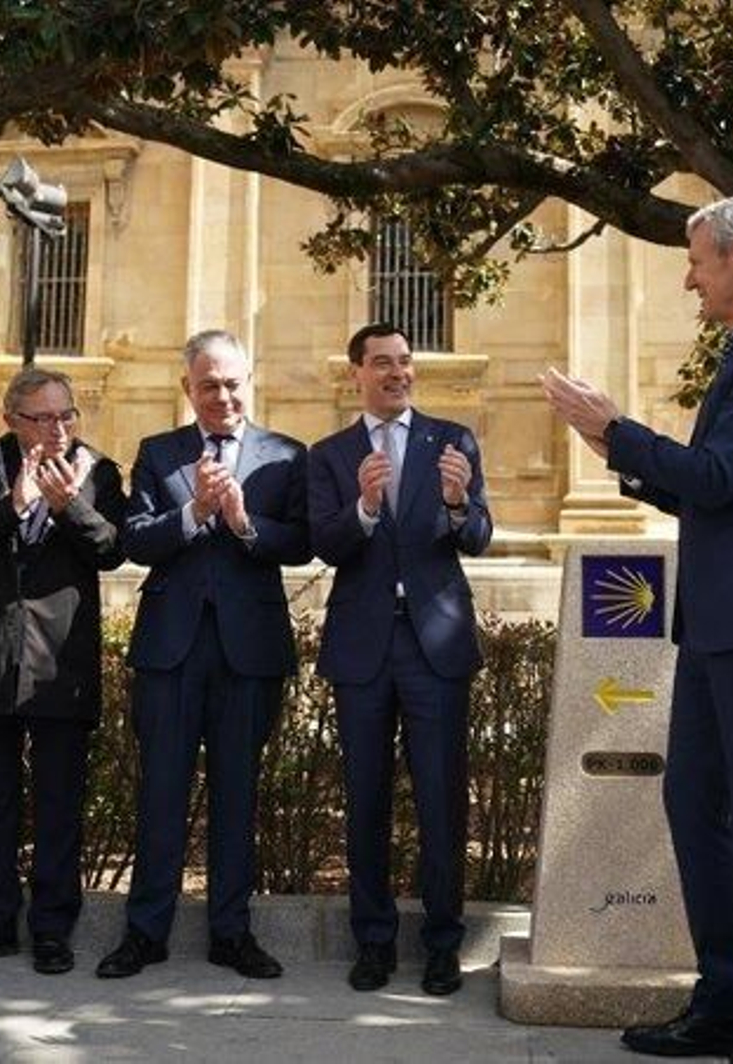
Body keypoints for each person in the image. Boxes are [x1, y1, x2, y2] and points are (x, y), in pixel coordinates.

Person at [544, 193, 733, 1061]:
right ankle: (720, 998)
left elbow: (716, 478)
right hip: (719, 618)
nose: (688, 278)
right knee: (691, 804)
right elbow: (708, 487)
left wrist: (618, 429)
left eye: (699, 261)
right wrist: (616, 451)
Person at [97, 330, 311, 981]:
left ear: (250, 381)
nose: (223, 395)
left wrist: (244, 521)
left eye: (233, 383)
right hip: (172, 649)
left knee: (237, 795)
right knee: (160, 792)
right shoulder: (158, 452)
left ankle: (231, 933)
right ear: (188, 389)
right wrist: (192, 511)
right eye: (209, 384)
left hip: (250, 650)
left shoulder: (284, 455)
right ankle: (145, 933)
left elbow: (301, 542)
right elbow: (135, 540)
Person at [308, 322, 493, 997]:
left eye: (405, 362)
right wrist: (362, 505)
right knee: (365, 801)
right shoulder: (330, 453)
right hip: (362, 649)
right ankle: (374, 942)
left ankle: (443, 944)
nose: (397, 373)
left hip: (434, 648)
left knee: (442, 799)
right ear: (356, 371)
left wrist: (453, 502)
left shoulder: (454, 441)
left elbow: (478, 535)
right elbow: (322, 543)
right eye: (382, 363)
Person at [0, 368, 125, 976]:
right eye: (44, 418)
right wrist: (15, 503)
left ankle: (52, 929)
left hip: (61, 661)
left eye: (67, 415)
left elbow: (112, 548)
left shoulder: (99, 469)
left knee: (59, 803)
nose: (59, 429)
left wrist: (69, 508)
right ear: (12, 418)